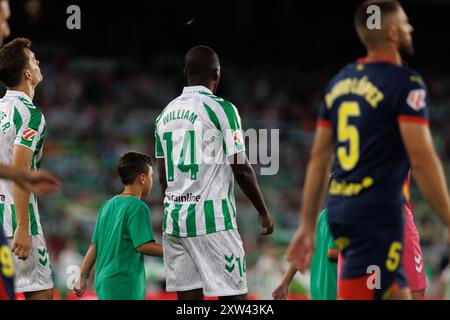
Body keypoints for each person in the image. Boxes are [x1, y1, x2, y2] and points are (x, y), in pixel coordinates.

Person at [287, 0, 450, 300]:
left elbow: (319, 158)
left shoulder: (340, 83)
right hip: (385, 211)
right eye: (404, 22)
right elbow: (423, 161)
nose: (410, 27)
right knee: (416, 292)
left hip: (345, 211)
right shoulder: (405, 83)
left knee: (374, 293)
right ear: (392, 33)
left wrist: (307, 225)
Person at [155, 45, 274, 300]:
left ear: (185, 73)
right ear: (216, 74)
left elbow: (163, 175)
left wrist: (175, 206)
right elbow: (240, 167)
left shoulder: (163, 116)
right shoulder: (222, 108)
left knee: (190, 304)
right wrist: (263, 212)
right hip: (213, 223)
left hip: (174, 223)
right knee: (234, 300)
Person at [0, 37, 57, 300]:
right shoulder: (30, 114)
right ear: (27, 73)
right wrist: (24, 226)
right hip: (17, 223)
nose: (38, 63)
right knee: (42, 294)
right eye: (34, 60)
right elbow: (20, 169)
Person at [74, 152, 163, 300]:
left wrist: (83, 276)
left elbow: (94, 246)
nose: (152, 180)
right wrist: (173, 252)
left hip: (104, 281)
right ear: (142, 178)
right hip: (123, 282)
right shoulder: (138, 207)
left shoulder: (107, 205)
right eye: (151, 175)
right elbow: (143, 246)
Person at [273, 208, 338, 300]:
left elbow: (302, 251)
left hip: (317, 292)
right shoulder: (345, 217)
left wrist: (285, 282)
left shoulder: (323, 215)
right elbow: (333, 253)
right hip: (334, 292)